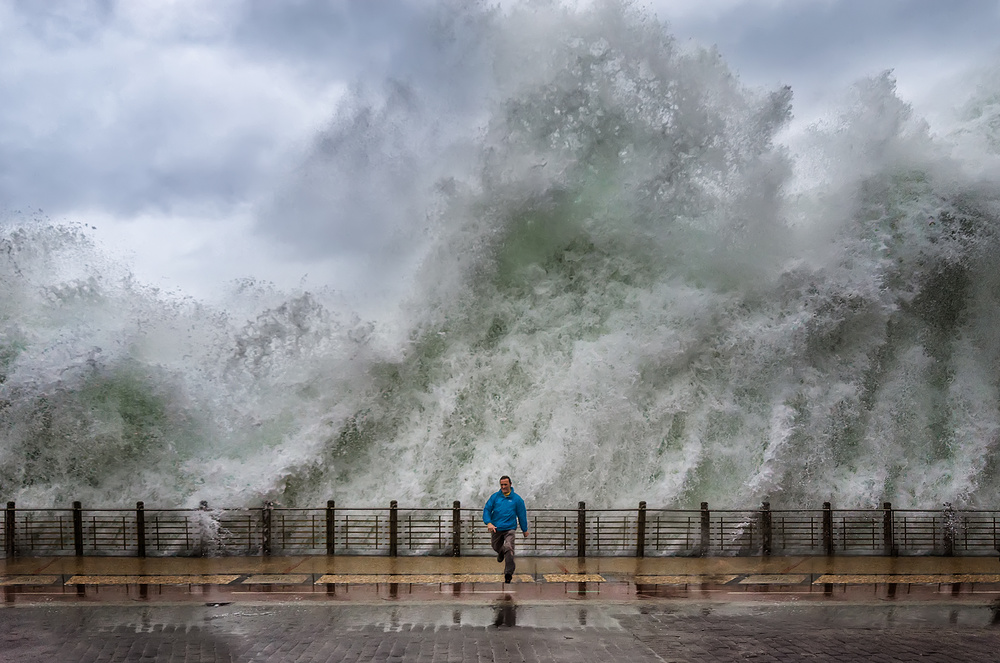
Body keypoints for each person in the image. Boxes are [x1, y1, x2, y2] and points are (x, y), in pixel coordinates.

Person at [483, 475, 529, 583]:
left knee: (509, 548)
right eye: (501, 485)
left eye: (505, 484)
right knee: (495, 546)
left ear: (510, 484)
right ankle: (500, 552)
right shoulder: (495, 497)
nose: (503, 487)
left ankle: (508, 573)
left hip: (510, 528)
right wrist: (488, 523)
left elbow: (522, 515)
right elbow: (487, 509)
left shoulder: (517, 499)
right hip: (496, 528)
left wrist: (524, 529)